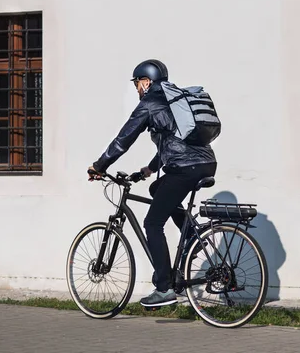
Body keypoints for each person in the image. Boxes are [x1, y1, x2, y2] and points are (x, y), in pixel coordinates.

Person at [88, 59, 217, 308]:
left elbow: (123, 139)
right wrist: (150, 169)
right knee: (157, 188)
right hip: (205, 163)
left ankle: (164, 288)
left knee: (152, 223)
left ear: (146, 81)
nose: (137, 89)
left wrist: (99, 166)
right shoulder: (175, 100)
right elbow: (176, 141)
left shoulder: (150, 103)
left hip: (184, 168)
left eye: (137, 83)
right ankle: (191, 233)